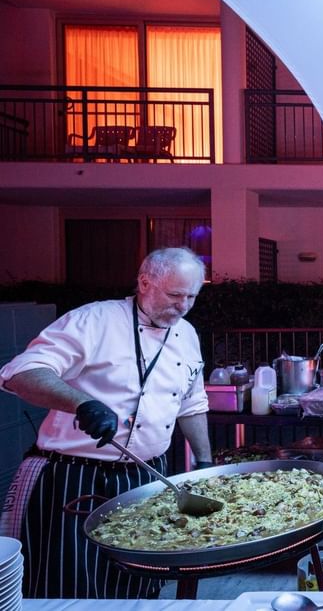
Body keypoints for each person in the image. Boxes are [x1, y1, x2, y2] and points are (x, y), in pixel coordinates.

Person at [0, 246, 213, 599]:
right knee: (66, 585)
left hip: (145, 477)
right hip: (71, 477)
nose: (184, 305)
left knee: (137, 583)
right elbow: (21, 372)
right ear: (145, 282)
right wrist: (82, 403)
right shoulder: (93, 320)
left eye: (192, 296)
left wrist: (204, 463)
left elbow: (192, 403)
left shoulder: (187, 333)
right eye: (176, 295)